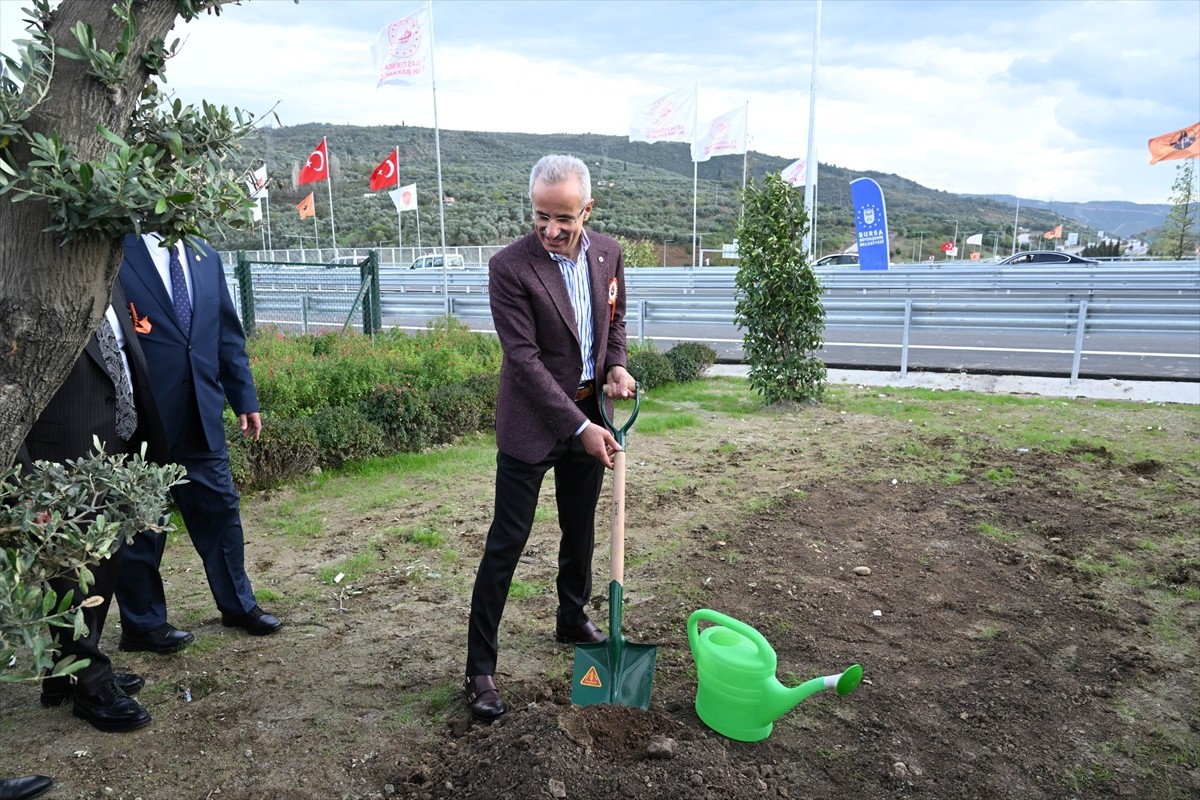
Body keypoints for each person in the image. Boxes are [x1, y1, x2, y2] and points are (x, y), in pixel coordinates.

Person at [463, 155, 636, 721]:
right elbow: (524, 360)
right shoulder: (509, 267)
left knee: (580, 529)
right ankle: (479, 668)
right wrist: (581, 427)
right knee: (506, 542)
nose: (552, 230)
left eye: (564, 218)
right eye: (541, 217)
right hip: (533, 424)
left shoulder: (608, 253)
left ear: (587, 209)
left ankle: (571, 615)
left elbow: (615, 323)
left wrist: (615, 366)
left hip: (592, 413)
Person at [115, 233, 282, 652]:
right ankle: (143, 626)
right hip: (142, 420)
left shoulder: (205, 254)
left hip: (202, 413)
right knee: (142, 525)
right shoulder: (118, 251)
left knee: (221, 511)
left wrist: (244, 397)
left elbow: (226, 333)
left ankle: (238, 605)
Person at [17, 282, 169, 732]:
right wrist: (26, 479)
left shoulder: (108, 278)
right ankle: (91, 685)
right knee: (74, 573)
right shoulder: (31, 281)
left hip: (116, 451)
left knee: (105, 565)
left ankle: (66, 672)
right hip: (61, 458)